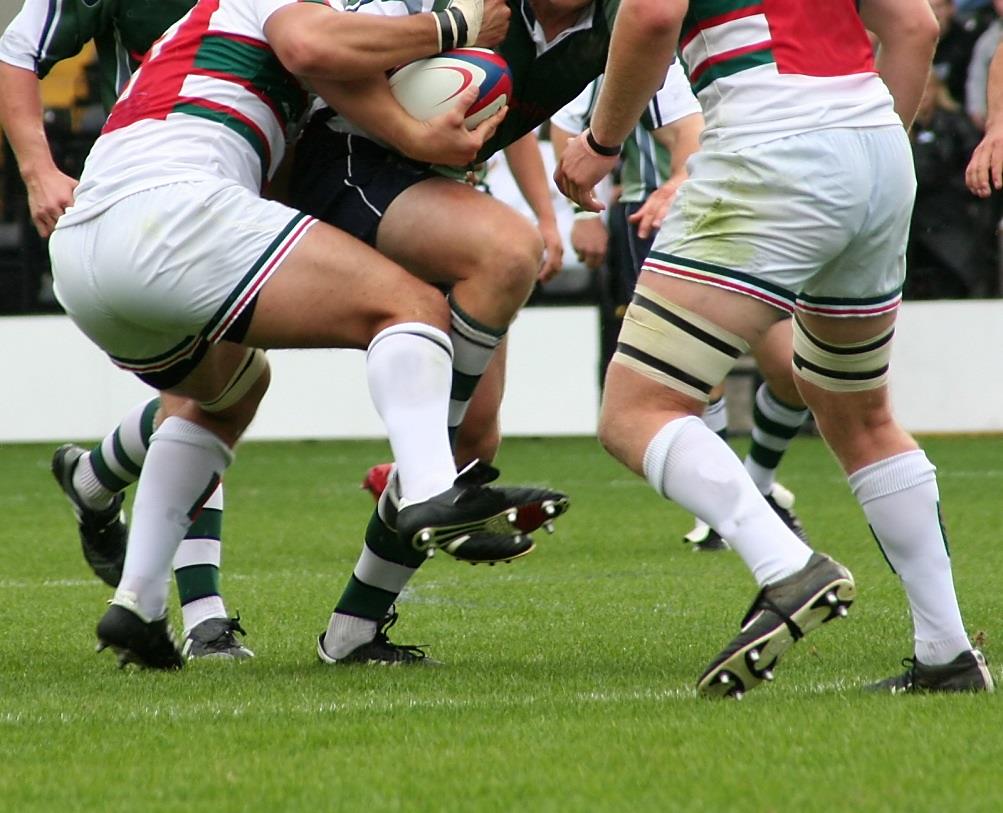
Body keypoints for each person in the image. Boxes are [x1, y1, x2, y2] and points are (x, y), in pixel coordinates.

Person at [47, 0, 555, 670]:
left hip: (86, 257)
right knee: (408, 307)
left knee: (230, 392)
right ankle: (432, 488)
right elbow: (312, 42)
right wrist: (448, 31)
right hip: (168, 211)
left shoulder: (209, 50)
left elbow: (308, 104)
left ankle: (136, 603)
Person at [556, 0, 993, 696]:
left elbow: (648, 15)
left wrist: (600, 141)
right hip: (874, 144)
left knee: (635, 410)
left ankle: (785, 565)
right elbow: (915, 28)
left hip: (770, 142)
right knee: (859, 417)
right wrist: (864, 157)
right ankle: (946, 654)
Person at [286, 0, 619, 665]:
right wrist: (415, 134)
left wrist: (603, 143)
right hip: (347, 157)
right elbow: (332, 56)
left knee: (475, 437)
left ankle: (353, 631)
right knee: (504, 250)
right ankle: (435, 484)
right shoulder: (470, 4)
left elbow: (511, 112)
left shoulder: (620, 24)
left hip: (434, 177)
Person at [0, 0, 255, 657]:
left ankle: (93, 477)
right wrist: (37, 171)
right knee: (207, 390)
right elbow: (16, 49)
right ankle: (203, 616)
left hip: (240, 188)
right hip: (147, 198)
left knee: (224, 382)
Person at [550, 68, 811, 553]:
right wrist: (584, 212)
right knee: (693, 374)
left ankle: (756, 482)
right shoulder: (634, 42)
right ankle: (719, 510)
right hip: (655, 216)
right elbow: (569, 120)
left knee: (793, 371)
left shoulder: (740, 39)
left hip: (746, 210)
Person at [908, 69, 996, 298]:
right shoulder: (897, 130)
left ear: (938, 91)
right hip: (914, 213)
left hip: (949, 211)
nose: (924, 95)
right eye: (918, 88)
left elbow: (968, 170)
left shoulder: (957, 125)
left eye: (928, 88)